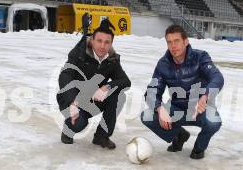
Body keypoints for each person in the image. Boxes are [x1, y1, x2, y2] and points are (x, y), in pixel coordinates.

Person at [141, 25, 224, 159]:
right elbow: (152, 91)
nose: (173, 46)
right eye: (169, 42)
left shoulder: (200, 57)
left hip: (199, 109)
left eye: (177, 41)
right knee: (147, 115)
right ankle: (179, 135)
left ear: (185, 42)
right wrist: (159, 108)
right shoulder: (163, 64)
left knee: (213, 122)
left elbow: (217, 77)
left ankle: (199, 147)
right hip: (176, 108)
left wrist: (206, 96)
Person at [56, 19, 131, 149]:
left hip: (92, 98)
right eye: (99, 41)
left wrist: (107, 87)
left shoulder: (112, 60)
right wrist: (72, 102)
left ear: (111, 44)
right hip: (72, 98)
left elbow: (125, 81)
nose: (102, 46)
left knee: (119, 96)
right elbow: (65, 75)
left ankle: (101, 136)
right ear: (92, 40)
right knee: (80, 123)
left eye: (107, 42)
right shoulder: (79, 54)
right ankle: (68, 130)